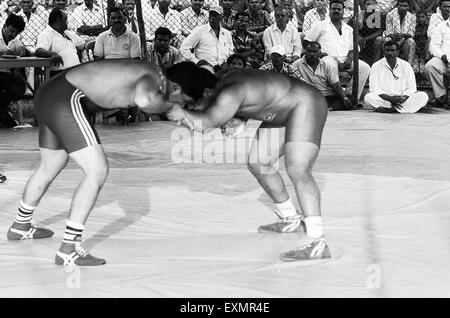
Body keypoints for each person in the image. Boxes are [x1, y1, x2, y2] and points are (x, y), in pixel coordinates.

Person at [6, 59, 181, 266]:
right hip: (66, 98)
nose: (181, 100)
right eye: (182, 96)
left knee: (51, 164)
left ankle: (21, 225)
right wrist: (177, 110)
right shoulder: (154, 78)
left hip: (48, 94)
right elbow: (145, 102)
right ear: (176, 85)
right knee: (96, 171)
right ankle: (69, 248)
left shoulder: (149, 71)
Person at [166, 61, 331, 261]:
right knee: (258, 162)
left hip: (307, 103)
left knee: (298, 169)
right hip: (281, 112)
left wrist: (175, 112)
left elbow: (207, 123)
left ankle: (317, 241)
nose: (183, 103)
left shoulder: (228, 93)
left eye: (180, 95)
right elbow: (259, 95)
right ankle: (291, 218)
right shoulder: (223, 86)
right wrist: (239, 120)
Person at [364, 40, 428, 113]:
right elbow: (374, 88)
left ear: (397, 52)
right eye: (387, 50)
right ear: (383, 53)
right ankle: (402, 109)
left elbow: (412, 88)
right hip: (385, 99)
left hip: (402, 99)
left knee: (423, 96)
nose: (390, 53)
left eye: (392, 50)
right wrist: (390, 99)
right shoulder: (376, 66)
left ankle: (391, 109)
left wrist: (403, 98)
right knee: (368, 97)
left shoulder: (406, 65)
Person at [293, 41, 353, 110]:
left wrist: (344, 98)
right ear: (305, 52)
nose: (312, 54)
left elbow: (335, 84)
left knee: (350, 98)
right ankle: (328, 107)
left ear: (320, 53)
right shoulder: (296, 65)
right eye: (309, 51)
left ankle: (328, 108)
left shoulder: (327, 65)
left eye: (315, 51)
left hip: (326, 95)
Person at [0, 13, 27, 128]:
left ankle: (4, 116)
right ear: (5, 25)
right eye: (12, 30)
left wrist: (23, 51)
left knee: (19, 88)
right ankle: (9, 122)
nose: (13, 34)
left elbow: (23, 49)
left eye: (17, 33)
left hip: (7, 75)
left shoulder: (15, 41)